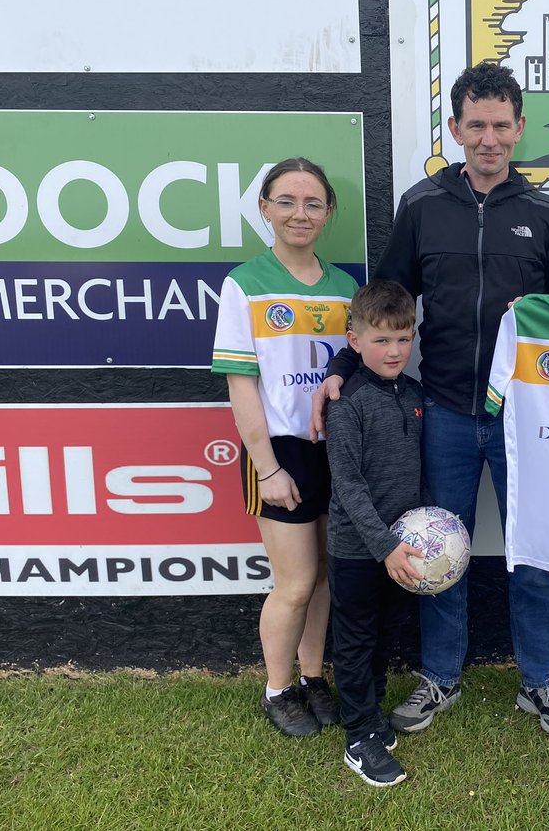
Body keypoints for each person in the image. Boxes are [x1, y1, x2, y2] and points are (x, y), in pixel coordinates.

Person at [311, 62, 549, 736]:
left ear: (520, 129)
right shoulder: (423, 206)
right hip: (439, 412)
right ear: (455, 128)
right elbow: (387, 302)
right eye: (476, 125)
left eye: (501, 126)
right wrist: (344, 364)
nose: (489, 139)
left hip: (526, 417)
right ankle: (440, 678)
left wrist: (546, 309)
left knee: (533, 555)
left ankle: (541, 682)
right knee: (439, 546)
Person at [211, 157, 357, 737]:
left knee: (323, 576)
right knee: (294, 582)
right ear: (265, 208)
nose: (301, 213)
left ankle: (314, 676)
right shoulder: (245, 284)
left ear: (328, 213)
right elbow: (241, 384)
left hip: (333, 450)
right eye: (287, 201)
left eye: (313, 203)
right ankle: (278, 688)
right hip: (280, 454)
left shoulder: (347, 287)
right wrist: (266, 467)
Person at [325, 280, 428, 787]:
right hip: (358, 550)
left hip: (400, 549)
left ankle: (372, 711)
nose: (394, 351)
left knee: (387, 634)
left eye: (403, 339)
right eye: (381, 340)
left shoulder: (413, 394)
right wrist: (383, 546)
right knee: (356, 640)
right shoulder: (348, 401)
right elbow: (346, 483)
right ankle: (359, 735)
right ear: (355, 340)